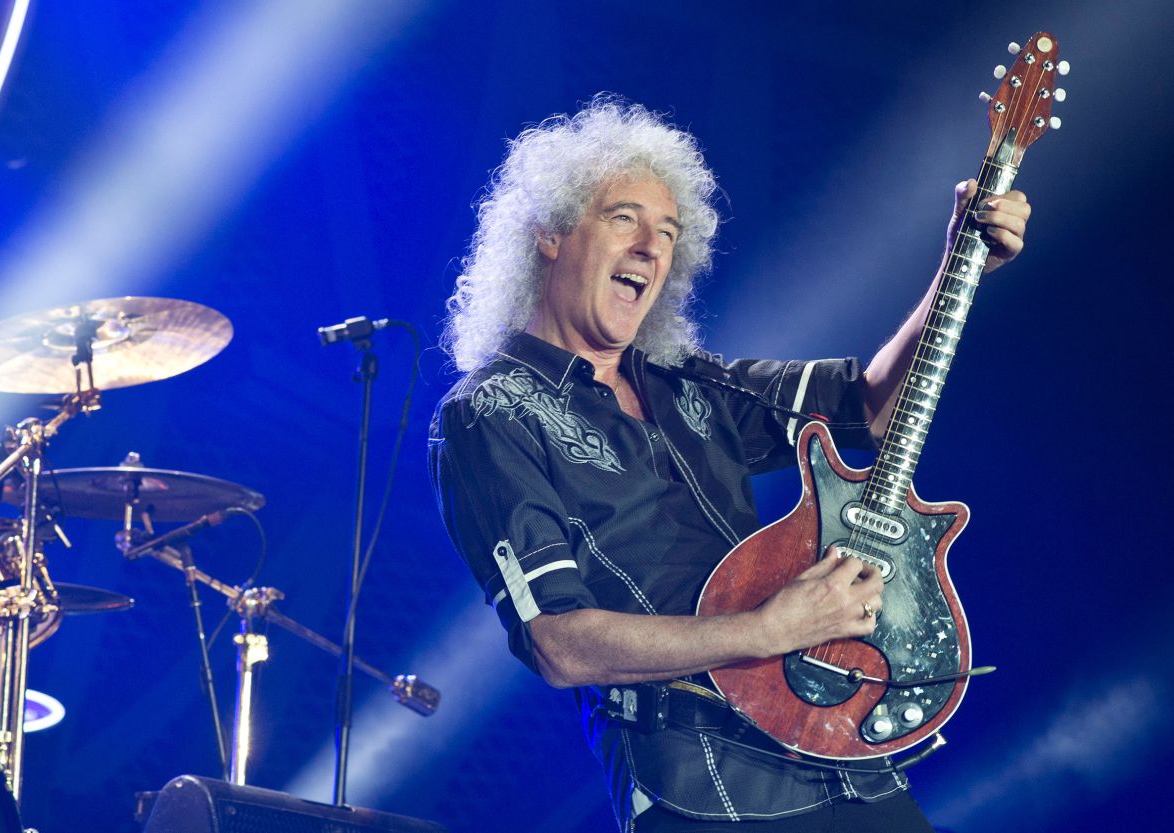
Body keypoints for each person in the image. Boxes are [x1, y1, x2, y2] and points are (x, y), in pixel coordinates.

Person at [429, 97, 1030, 832]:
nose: (653, 246)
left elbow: (869, 409)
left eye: (670, 232)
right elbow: (559, 643)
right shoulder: (490, 412)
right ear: (549, 233)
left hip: (847, 759)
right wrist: (766, 629)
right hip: (700, 785)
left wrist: (958, 267)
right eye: (624, 218)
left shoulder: (690, 382)